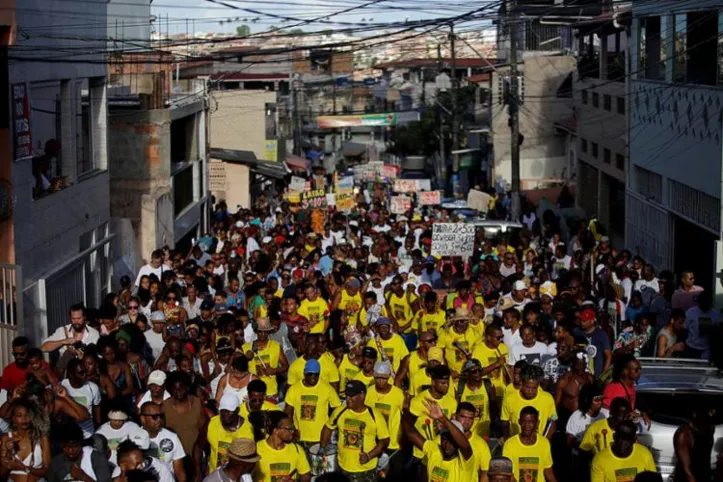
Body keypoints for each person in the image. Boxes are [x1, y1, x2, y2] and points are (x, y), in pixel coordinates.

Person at [321, 380, 389, 481]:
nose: (348, 399)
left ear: (362, 396)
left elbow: (385, 440)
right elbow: (328, 428)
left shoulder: (375, 416)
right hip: (342, 468)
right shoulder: (340, 411)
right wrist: (322, 448)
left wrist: (369, 456)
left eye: (351, 396)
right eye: (347, 395)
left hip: (365, 472)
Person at [404, 397, 474, 482]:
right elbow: (411, 434)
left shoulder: (465, 461)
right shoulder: (434, 450)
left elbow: (465, 446)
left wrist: (442, 418)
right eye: (444, 440)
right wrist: (406, 411)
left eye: (452, 441)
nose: (447, 445)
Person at [403, 365, 458, 464]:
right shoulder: (418, 401)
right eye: (442, 383)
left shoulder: (452, 402)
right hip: (421, 454)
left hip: (441, 454)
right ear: (433, 382)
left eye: (447, 383)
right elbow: (408, 427)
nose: (446, 386)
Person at [284, 358, 342, 450]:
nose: (313, 377)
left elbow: (337, 409)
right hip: (300, 437)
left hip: (320, 438)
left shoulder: (327, 388)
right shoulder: (294, 389)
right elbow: (287, 413)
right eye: (310, 374)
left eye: (316, 375)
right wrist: (292, 430)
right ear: (304, 373)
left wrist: (329, 428)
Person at [194, 393, 254, 475]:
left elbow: (250, 463)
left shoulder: (247, 432)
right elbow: (198, 447)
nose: (225, 415)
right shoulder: (211, 424)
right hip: (214, 477)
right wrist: (198, 471)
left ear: (238, 410)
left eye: (229, 411)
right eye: (223, 411)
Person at [162, 371, 207, 472]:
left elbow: (203, 430)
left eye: (181, 388)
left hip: (195, 459)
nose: (178, 391)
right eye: (175, 388)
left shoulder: (197, 403)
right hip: (174, 460)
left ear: (187, 387)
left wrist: (197, 453)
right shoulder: (165, 406)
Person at [0, 399, 51, 482]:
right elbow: (2, 474)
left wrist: (23, 468)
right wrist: (8, 453)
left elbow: (47, 471)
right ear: (14, 419)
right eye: (19, 416)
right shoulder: (7, 438)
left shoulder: (42, 438)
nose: (24, 419)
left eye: (27, 415)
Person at [501, 364, 557, 439]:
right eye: (527, 387)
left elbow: (552, 422)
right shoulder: (509, 399)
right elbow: (505, 422)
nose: (530, 391)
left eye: (534, 388)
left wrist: (545, 442)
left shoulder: (548, 398)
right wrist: (507, 440)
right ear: (521, 383)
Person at [590, 420, 656, 482]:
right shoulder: (599, 459)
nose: (623, 443)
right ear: (614, 437)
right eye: (620, 438)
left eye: (628, 439)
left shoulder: (645, 454)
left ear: (634, 440)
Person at [502, 406, 556, 482]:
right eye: (524, 422)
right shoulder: (510, 444)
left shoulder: (544, 443)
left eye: (531, 422)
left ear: (537, 423)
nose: (527, 425)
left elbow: (547, 470)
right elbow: (508, 474)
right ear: (519, 421)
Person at [254, 411, 311, 482]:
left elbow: (306, 475)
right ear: (276, 431)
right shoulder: (256, 449)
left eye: (293, 428)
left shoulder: (297, 449)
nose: (293, 431)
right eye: (289, 428)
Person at [242, 317, 288, 403]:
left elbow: (286, 366)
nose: (263, 334)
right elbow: (240, 368)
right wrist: (245, 358)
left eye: (265, 331)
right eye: (260, 331)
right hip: (252, 392)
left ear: (269, 332)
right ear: (256, 331)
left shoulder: (275, 346)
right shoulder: (246, 348)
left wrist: (274, 370)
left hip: (271, 391)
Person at [47, 422, 112, 482]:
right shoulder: (56, 462)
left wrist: (85, 477)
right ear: (61, 445)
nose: (70, 450)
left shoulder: (97, 459)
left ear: (80, 443)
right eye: (66, 446)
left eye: (74, 446)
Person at [139, 402, 186, 481]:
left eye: (161, 416)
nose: (159, 420)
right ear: (143, 419)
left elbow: (179, 472)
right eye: (154, 417)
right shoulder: (132, 439)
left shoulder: (172, 437)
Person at [673, 402, 715, 482]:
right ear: (695, 414)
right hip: (689, 477)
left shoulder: (710, 428)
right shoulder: (684, 434)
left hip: (704, 474)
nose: (711, 414)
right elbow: (686, 469)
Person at [61, 358, 102, 438]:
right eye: (81, 373)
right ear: (71, 374)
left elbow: (97, 407)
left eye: (85, 371)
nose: (85, 375)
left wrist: (98, 427)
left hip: (87, 434)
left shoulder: (92, 388)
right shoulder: (62, 386)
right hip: (68, 436)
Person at [683, 291, 720, 359]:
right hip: (692, 347)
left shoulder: (716, 314)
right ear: (700, 301)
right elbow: (685, 329)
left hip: (707, 348)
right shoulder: (690, 312)